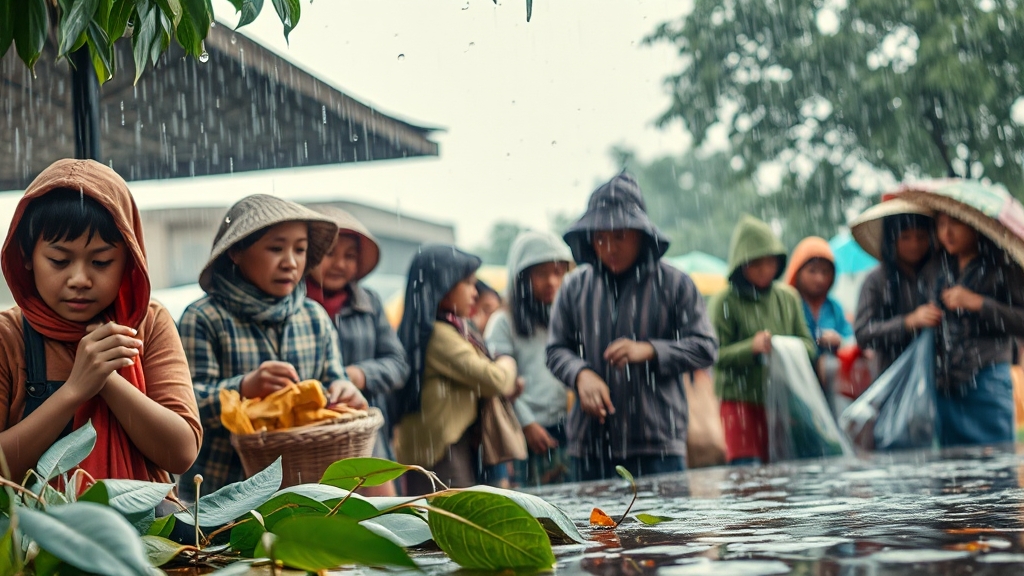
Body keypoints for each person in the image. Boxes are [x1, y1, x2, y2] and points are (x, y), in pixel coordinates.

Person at [0, 159, 202, 484]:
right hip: (34, 531)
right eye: (59, 260)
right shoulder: (8, 336)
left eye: (101, 261)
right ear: (25, 256)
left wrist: (107, 378)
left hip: (145, 530)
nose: (80, 279)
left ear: (129, 261)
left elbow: (181, 452)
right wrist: (76, 389)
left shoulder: (148, 324)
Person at [178, 195, 367, 500]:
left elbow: (333, 382)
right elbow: (183, 407)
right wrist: (242, 387)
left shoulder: (314, 317)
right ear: (236, 252)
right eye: (276, 248)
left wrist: (345, 391)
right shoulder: (203, 318)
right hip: (220, 492)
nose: (290, 262)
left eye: (300, 250)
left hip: (306, 492)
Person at [547, 172, 718, 481]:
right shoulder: (574, 287)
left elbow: (706, 347)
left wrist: (651, 350)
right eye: (600, 238)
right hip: (591, 446)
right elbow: (556, 349)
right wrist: (580, 374)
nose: (609, 247)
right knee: (593, 531)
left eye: (619, 236)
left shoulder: (675, 284)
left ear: (641, 234)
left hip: (658, 445)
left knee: (668, 530)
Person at [393, 245, 519, 494]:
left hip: (442, 450)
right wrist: (507, 362)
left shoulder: (446, 328)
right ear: (444, 287)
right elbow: (494, 379)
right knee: (452, 523)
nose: (475, 293)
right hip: (444, 455)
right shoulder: (440, 335)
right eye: (469, 284)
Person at [306, 206, 410, 496]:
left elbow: (398, 363)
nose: (340, 263)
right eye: (330, 253)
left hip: (364, 430)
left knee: (376, 509)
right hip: (308, 435)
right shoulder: (293, 306)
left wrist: (359, 375)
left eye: (349, 256)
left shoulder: (369, 303)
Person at [710, 215, 816, 465]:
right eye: (755, 264)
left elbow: (809, 347)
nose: (764, 270)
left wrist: (784, 347)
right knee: (747, 474)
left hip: (782, 402)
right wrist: (751, 348)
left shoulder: (788, 298)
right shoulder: (725, 301)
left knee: (784, 475)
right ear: (741, 264)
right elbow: (715, 355)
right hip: (739, 404)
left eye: (769, 263)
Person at [485, 230, 574, 486]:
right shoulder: (503, 322)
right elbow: (499, 384)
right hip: (523, 435)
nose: (552, 281)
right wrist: (527, 422)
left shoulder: (564, 317)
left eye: (559, 272)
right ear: (522, 278)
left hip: (565, 432)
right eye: (542, 273)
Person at [932, 213, 1024, 446]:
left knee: (997, 464)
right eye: (941, 224)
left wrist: (979, 303)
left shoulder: (1003, 267)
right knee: (954, 472)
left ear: (975, 225)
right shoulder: (941, 268)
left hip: (988, 377)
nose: (947, 233)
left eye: (956, 223)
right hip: (947, 382)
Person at [853, 202, 938, 375]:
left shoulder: (938, 275)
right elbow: (863, 333)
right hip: (891, 375)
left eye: (921, 237)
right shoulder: (876, 280)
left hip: (934, 374)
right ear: (892, 239)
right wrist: (907, 323)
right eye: (906, 237)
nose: (914, 245)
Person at [784, 237, 853, 354]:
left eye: (825, 272)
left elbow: (850, 341)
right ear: (798, 272)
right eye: (812, 271)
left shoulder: (834, 308)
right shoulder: (788, 306)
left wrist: (839, 341)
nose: (819, 279)